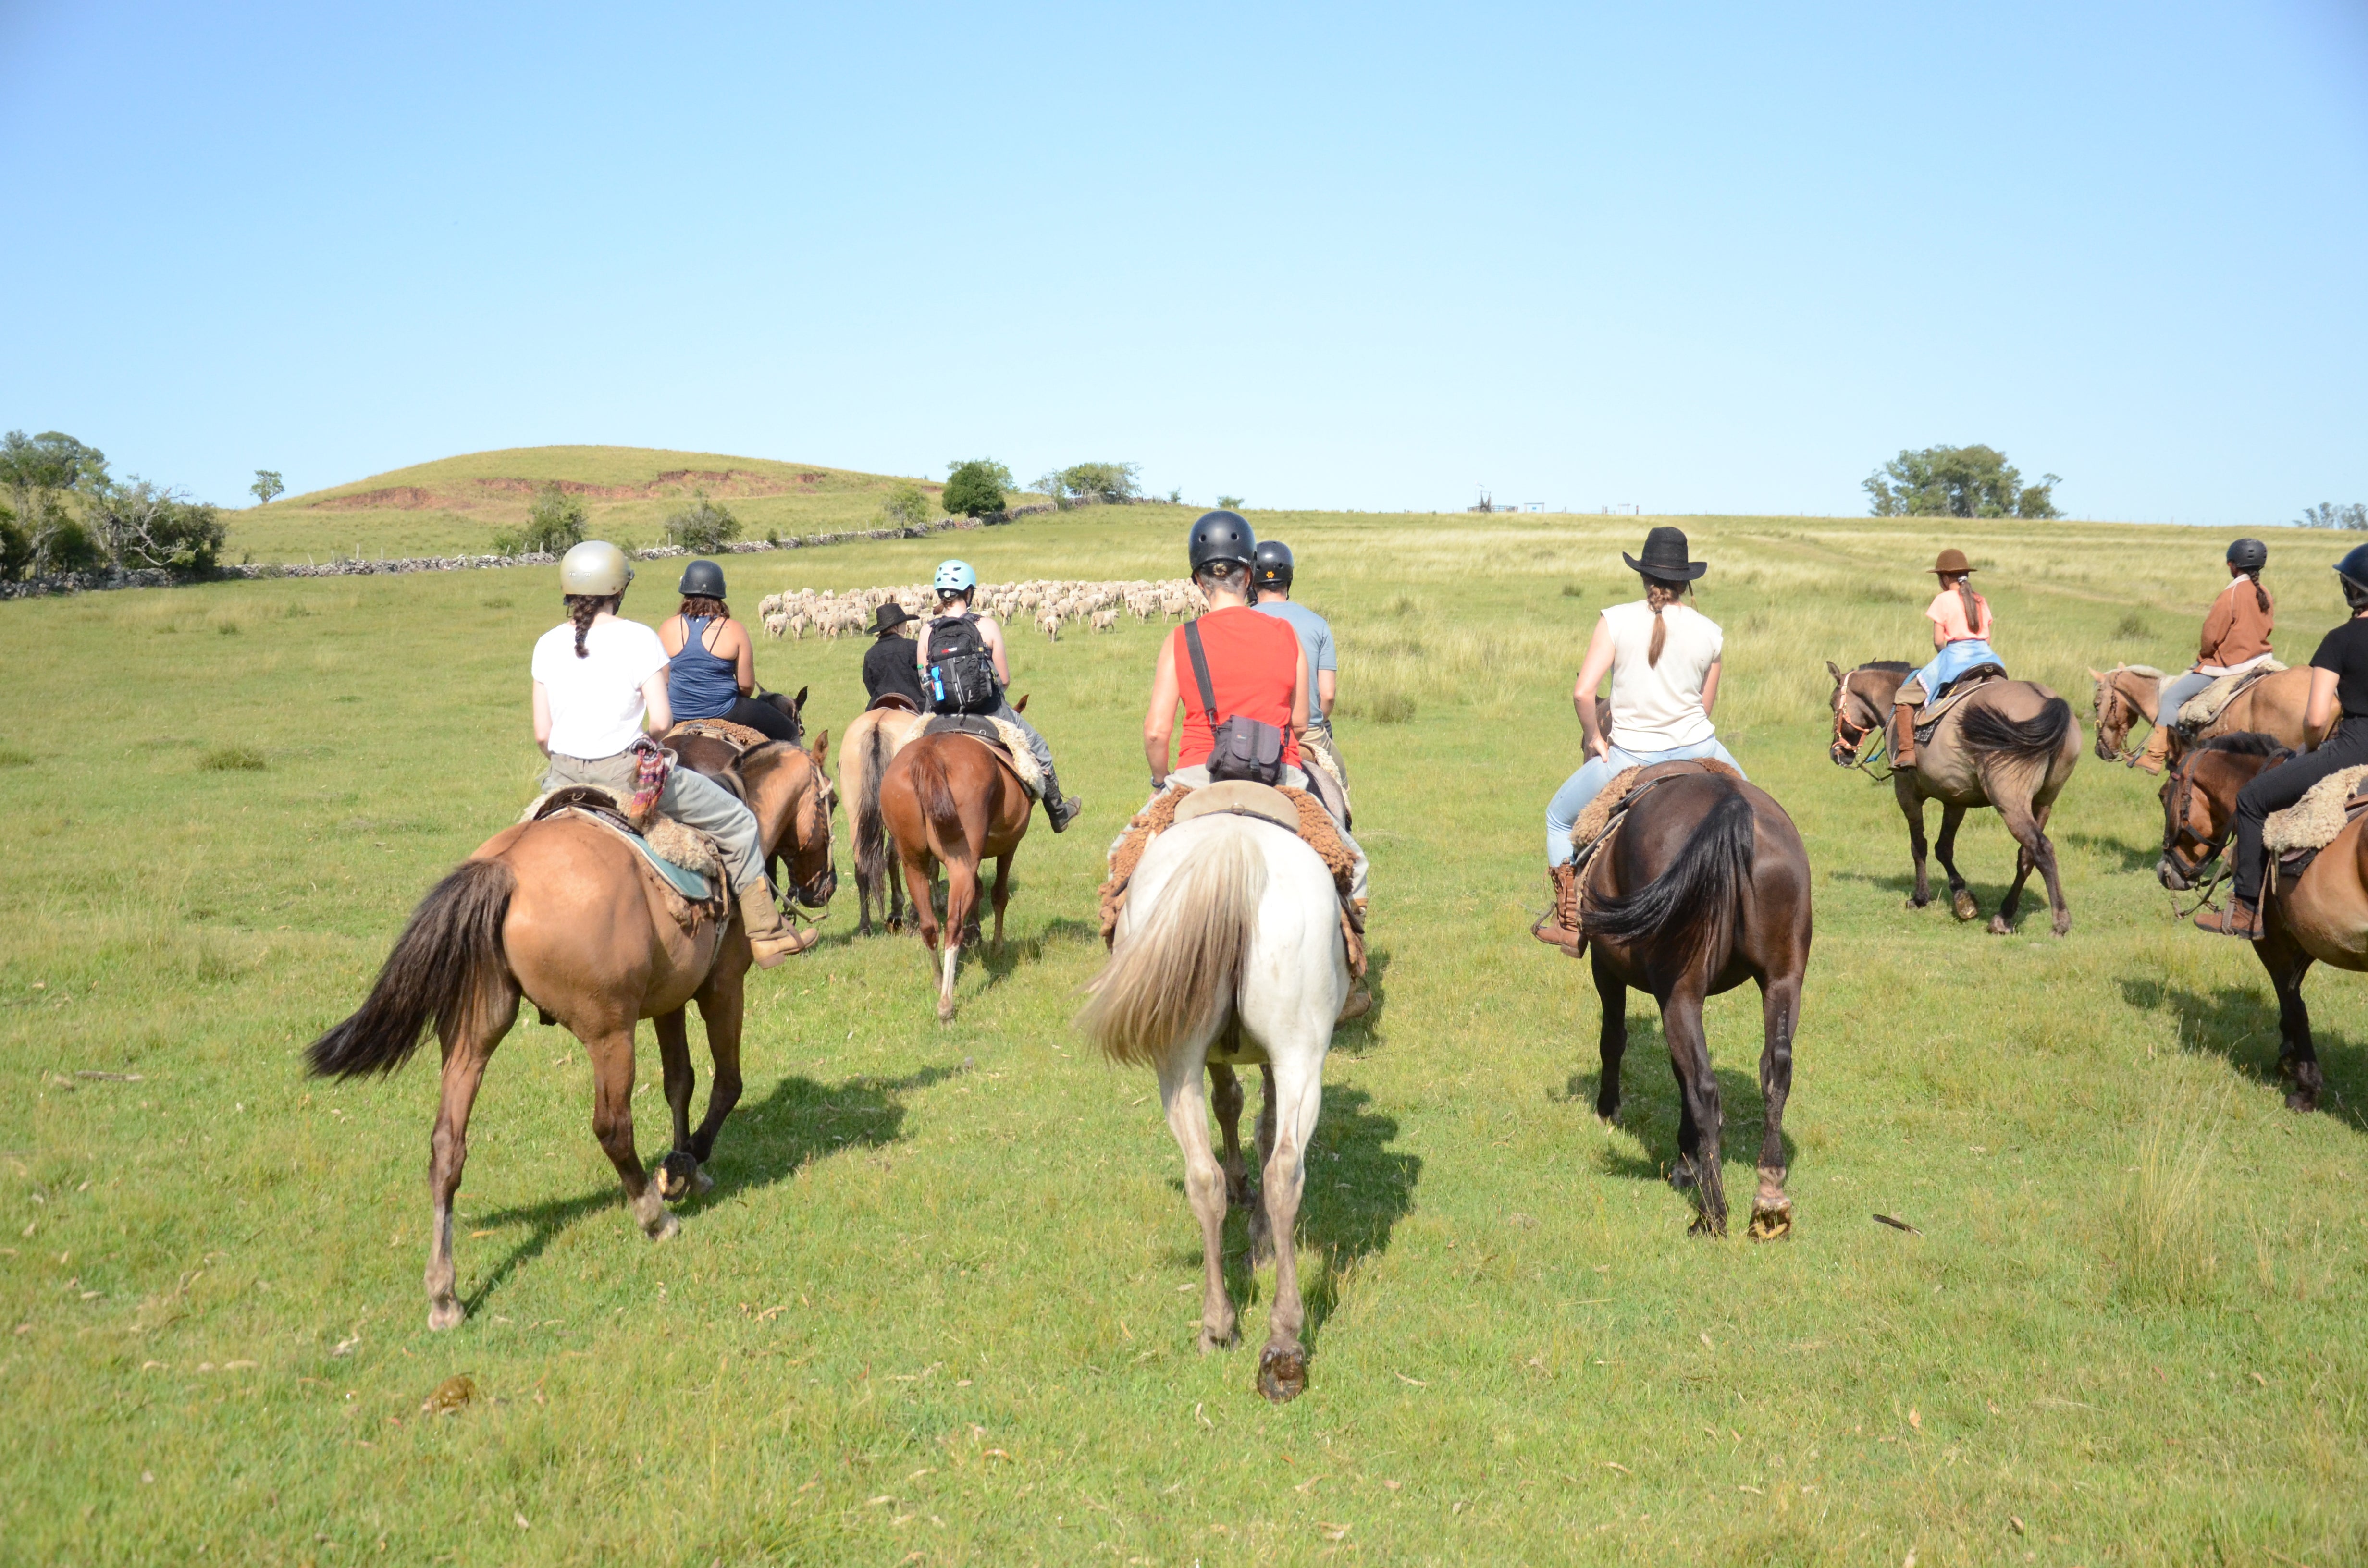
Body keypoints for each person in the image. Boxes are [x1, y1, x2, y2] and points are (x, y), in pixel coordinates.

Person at [1124, 511, 1369, 1016]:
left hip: (1198, 774)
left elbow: (1155, 730)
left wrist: (1157, 780)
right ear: (1249, 575)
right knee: (1351, 863)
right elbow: (1301, 723)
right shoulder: (1285, 638)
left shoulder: (1180, 639)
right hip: (1276, 776)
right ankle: (1344, 983)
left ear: (1197, 579)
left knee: (1121, 865)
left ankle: (1125, 970)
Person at [533, 541, 817, 965]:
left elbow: (543, 734)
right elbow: (662, 722)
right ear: (619, 590)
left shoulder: (547, 643)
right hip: (623, 771)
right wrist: (640, 745)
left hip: (561, 777)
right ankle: (765, 934)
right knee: (739, 822)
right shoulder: (637, 637)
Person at [1533, 526, 1742, 950]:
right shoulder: (1712, 633)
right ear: (1686, 581)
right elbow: (1704, 709)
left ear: (1644, 577)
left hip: (1631, 757)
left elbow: (1583, 692)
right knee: (1754, 813)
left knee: (1558, 820)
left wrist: (1594, 737)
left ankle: (1570, 924)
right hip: (1701, 749)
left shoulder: (1616, 620)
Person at [2195, 543, 2368, 940]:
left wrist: (2313, 745)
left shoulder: (2339, 640)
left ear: (2352, 590)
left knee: (2252, 799)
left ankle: (2244, 910)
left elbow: (2315, 717)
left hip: (2354, 750)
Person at [915, 560, 1083, 831]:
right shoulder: (987, 626)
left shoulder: (926, 631)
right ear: (969, 592)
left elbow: (925, 680)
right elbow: (1004, 680)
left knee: (903, 753)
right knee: (1040, 750)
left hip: (939, 713)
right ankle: (1059, 813)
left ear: (939, 593)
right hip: (988, 712)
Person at [2133, 538, 2275, 774]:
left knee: (2171, 697)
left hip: (2230, 666)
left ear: (2232, 565)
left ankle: (2155, 757)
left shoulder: (2230, 594)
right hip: (2262, 661)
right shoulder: (2265, 593)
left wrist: (2204, 657)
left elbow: (2211, 636)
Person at [1251, 539, 1350, 808]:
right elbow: (1327, 695)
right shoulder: (1317, 624)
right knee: (1339, 785)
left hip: (1251, 733)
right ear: (1289, 579)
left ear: (1252, 578)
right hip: (1306, 734)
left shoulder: (1240, 622)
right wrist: (1317, 719)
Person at [656, 560, 800, 742]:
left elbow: (664, 681)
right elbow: (746, 687)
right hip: (725, 710)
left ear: (685, 591)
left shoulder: (668, 627)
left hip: (678, 713)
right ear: (720, 592)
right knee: (790, 731)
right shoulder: (734, 629)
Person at [1891, 548, 1999, 769]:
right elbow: (1987, 640)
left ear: (1945, 577)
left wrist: (1946, 659)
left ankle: (1906, 753)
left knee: (1903, 695)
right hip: (1989, 659)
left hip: (1955, 657)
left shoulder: (1943, 599)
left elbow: (1939, 641)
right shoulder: (1980, 599)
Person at [861, 601, 926, 710]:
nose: (906, 629)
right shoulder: (913, 647)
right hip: (915, 703)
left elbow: (870, 685)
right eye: (904, 626)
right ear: (896, 627)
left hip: (880, 705)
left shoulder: (870, 654)